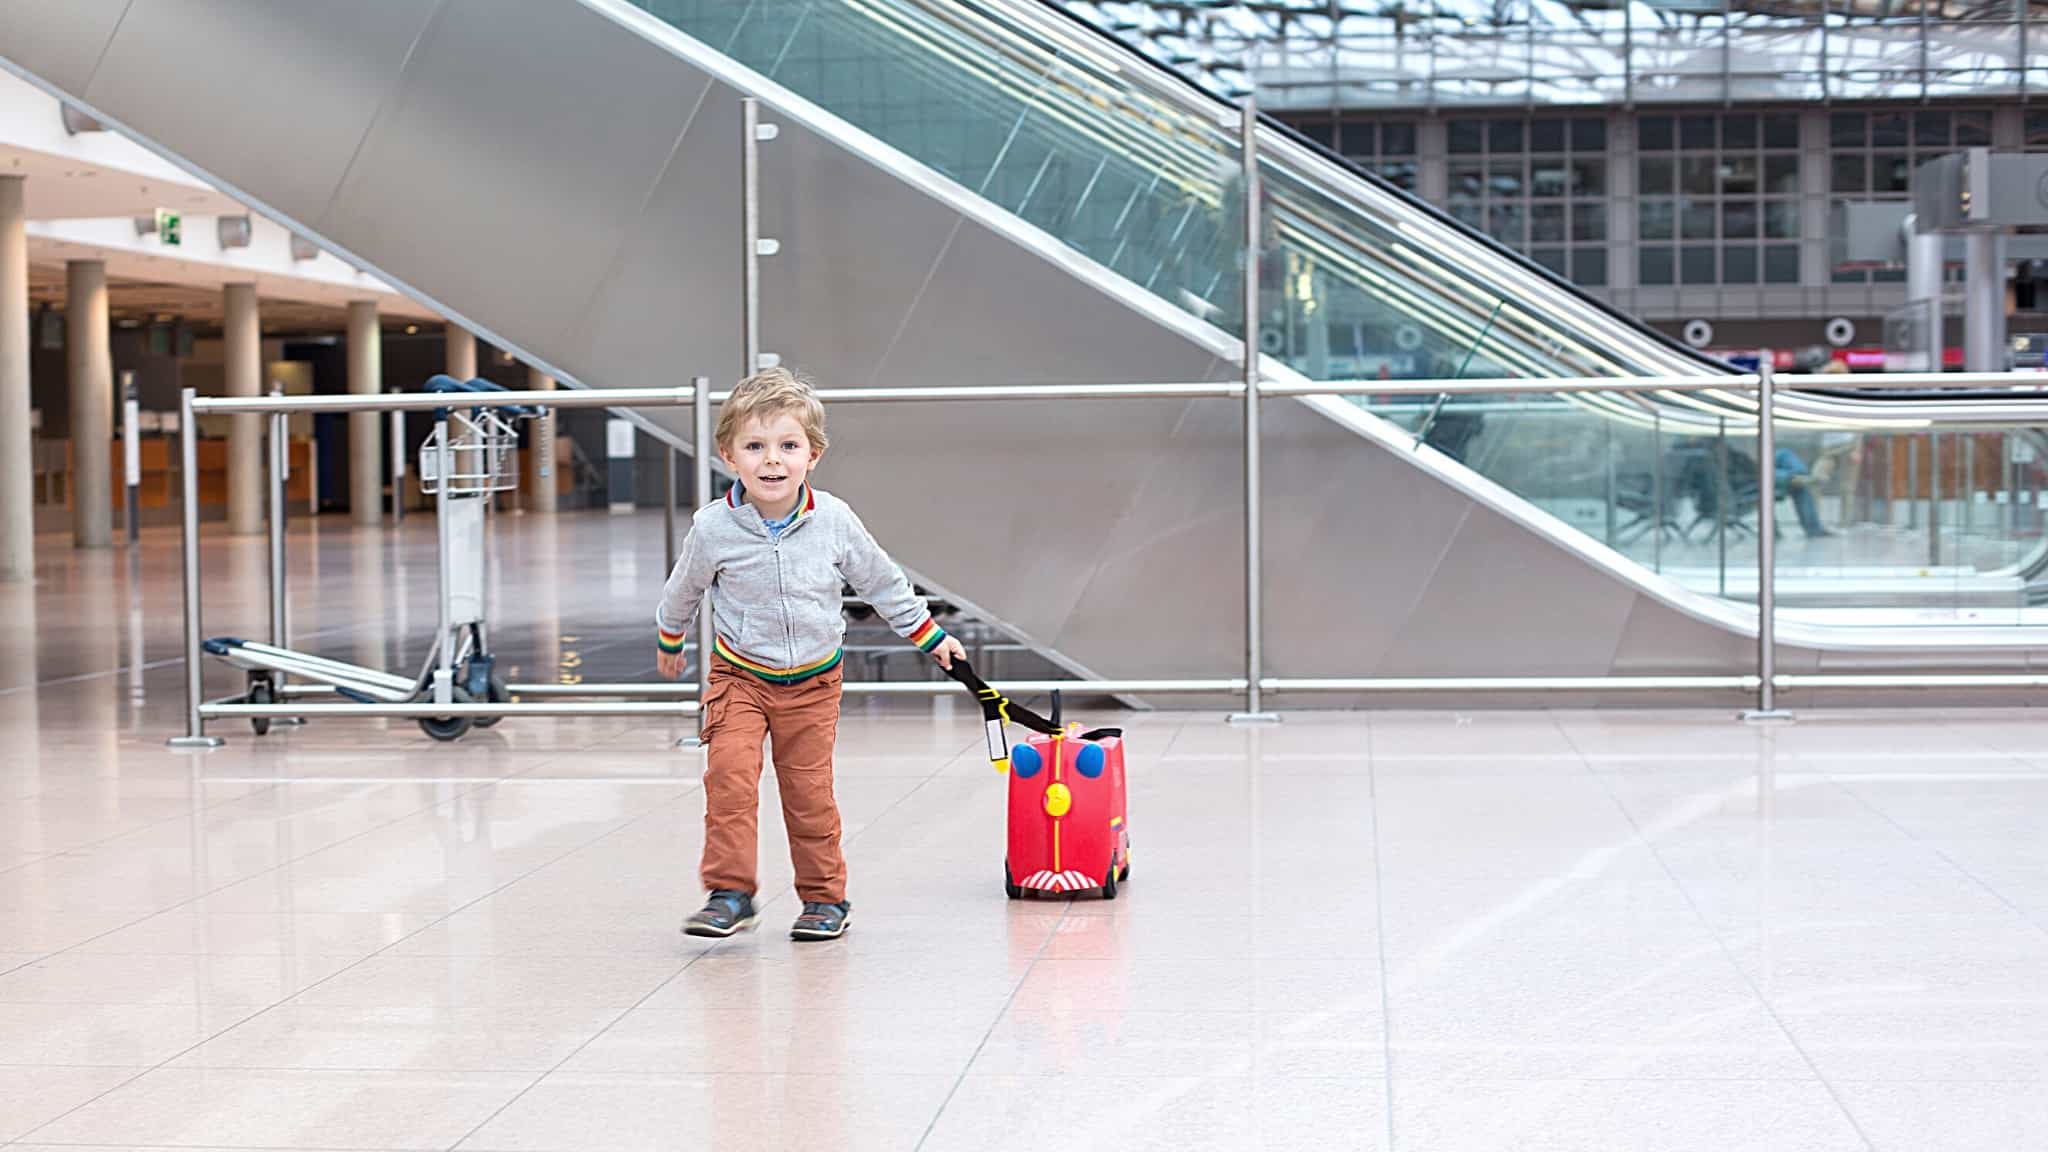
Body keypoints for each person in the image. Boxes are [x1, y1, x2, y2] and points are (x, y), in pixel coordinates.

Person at [655, 368, 966, 942]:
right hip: (739, 677)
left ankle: (825, 899)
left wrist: (928, 635)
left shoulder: (834, 521)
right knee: (728, 779)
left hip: (813, 685)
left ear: (812, 455)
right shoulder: (713, 528)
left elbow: (881, 582)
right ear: (729, 456)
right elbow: (684, 589)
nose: (772, 461)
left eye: (787, 446)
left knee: (808, 794)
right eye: (755, 446)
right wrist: (670, 636)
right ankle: (730, 893)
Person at [1775, 446, 1833, 539]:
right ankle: (1798, 478)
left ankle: (1800, 476)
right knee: (1763, 472)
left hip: (1754, 465)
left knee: (1784, 453)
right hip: (1750, 479)